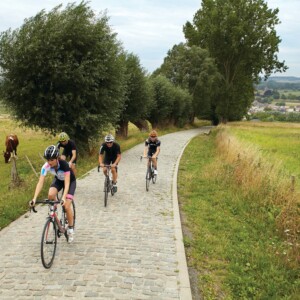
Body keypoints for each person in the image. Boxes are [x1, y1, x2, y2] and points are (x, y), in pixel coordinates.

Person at [30, 145, 76, 243]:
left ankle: (71, 228)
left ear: (57, 158)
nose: (49, 162)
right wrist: (34, 198)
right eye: (47, 160)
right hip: (59, 180)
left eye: (51, 160)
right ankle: (54, 209)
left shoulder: (64, 165)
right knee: (50, 195)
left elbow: (67, 182)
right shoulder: (45, 166)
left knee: (67, 206)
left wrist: (63, 197)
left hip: (70, 182)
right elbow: (40, 182)